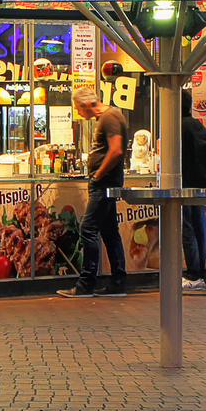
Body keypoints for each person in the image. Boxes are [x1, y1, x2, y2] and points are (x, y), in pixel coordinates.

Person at [59, 90, 128, 298]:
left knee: (88, 229)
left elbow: (115, 150)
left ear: (87, 104)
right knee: (109, 233)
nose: (79, 113)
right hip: (105, 183)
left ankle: (86, 285)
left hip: (104, 184)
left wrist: (98, 174)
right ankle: (117, 283)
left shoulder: (110, 118)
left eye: (79, 108)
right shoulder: (110, 116)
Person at [180, 91, 206, 291]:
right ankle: (199, 273)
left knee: (187, 229)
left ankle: (193, 274)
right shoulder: (196, 124)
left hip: (185, 184)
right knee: (198, 227)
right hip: (199, 183)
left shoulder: (179, 126)